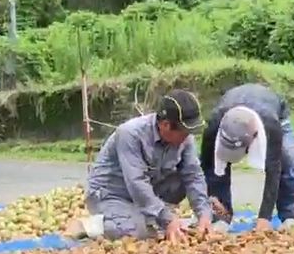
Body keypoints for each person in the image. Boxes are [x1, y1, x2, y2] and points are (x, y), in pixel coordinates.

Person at [65, 89, 214, 242]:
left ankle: (149, 217)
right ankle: (90, 225)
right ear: (165, 125)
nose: (187, 136)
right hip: (110, 194)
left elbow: (194, 175)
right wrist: (167, 219)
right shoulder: (130, 134)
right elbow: (136, 183)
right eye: (184, 132)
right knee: (136, 232)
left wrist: (204, 214)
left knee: (186, 185)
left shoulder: (184, 138)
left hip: (146, 191)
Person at [200, 83, 294, 232]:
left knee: (287, 161)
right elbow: (208, 166)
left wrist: (264, 218)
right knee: (216, 169)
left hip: (273, 112)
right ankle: (222, 217)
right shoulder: (214, 124)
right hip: (234, 103)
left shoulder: (271, 125)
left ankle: (288, 216)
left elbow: (274, 170)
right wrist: (211, 202)